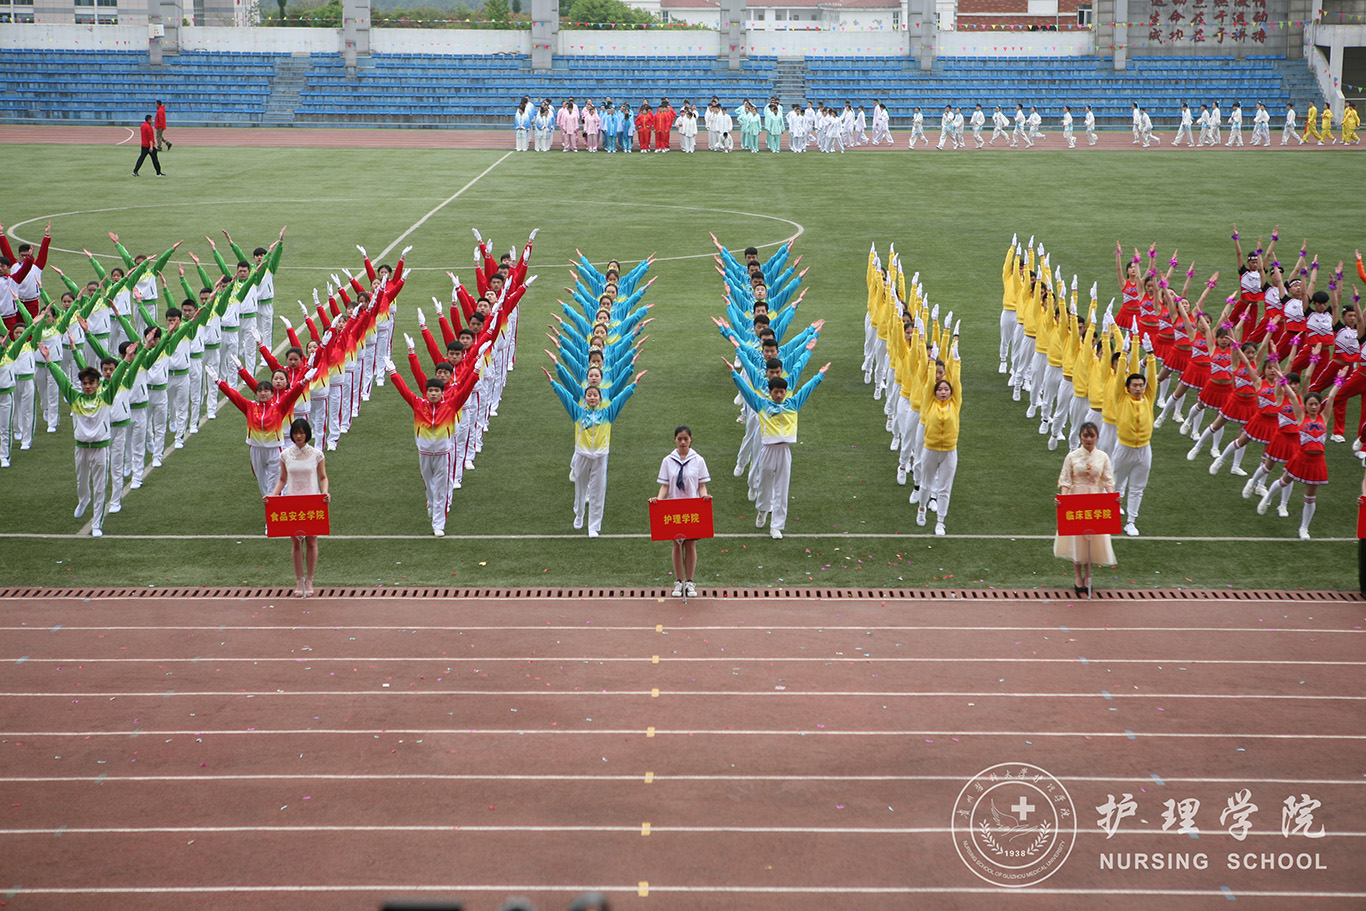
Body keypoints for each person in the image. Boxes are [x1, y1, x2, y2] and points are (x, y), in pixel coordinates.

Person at [268, 417, 329, 597]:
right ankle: (298, 580)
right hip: (293, 502)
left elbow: (323, 477)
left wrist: (325, 493)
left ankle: (309, 580)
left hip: (312, 501)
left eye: (302, 433)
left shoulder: (317, 454)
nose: (299, 436)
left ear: (307, 434)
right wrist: (273, 497)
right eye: (296, 433)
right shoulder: (285, 455)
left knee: (311, 541)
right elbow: (282, 479)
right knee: (296, 543)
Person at [1055, 421, 1115, 596]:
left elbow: (1108, 480)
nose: (1089, 439)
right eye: (1085, 436)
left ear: (1097, 437)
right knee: (1077, 538)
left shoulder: (1103, 456)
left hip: (1094, 499)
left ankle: (1088, 576)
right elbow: (1066, 480)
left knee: (1091, 539)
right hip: (1076, 499)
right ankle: (1077, 576)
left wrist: (1112, 498)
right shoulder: (1072, 456)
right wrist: (1063, 500)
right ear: (1080, 437)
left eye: (1092, 436)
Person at [650, 424, 711, 598]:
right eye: (679, 439)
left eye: (686, 439)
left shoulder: (698, 460)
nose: (683, 442)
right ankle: (678, 581)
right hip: (674, 507)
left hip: (692, 507)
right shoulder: (667, 461)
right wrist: (658, 501)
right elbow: (665, 485)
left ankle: (690, 582)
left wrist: (704, 497)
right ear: (675, 440)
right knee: (677, 543)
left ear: (691, 439)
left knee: (690, 545)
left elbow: (701, 485)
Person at [1112, 334, 1158, 536]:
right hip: (1124, 447)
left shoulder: (1148, 397)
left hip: (1144, 449)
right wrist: (1124, 353)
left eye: (1141, 385)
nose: (1139, 388)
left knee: (1138, 487)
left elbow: (1152, 380)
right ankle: (1112, 513)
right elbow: (1120, 376)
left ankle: (1131, 521)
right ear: (1127, 387)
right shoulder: (1121, 397)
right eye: (1135, 385)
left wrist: (1151, 355)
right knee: (1115, 482)